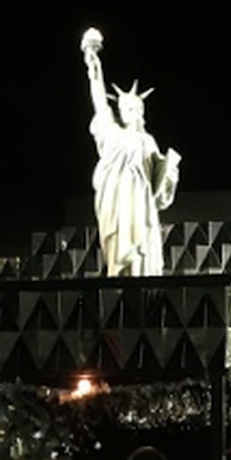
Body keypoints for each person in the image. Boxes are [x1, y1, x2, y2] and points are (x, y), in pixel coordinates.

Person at [80, 27, 181, 276]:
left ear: (140, 111)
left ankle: (142, 281)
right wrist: (94, 65)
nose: (128, 112)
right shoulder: (112, 133)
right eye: (124, 108)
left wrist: (170, 173)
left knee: (142, 250)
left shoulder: (147, 141)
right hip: (116, 202)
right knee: (119, 253)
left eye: (133, 108)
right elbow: (99, 101)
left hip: (141, 204)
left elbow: (160, 189)